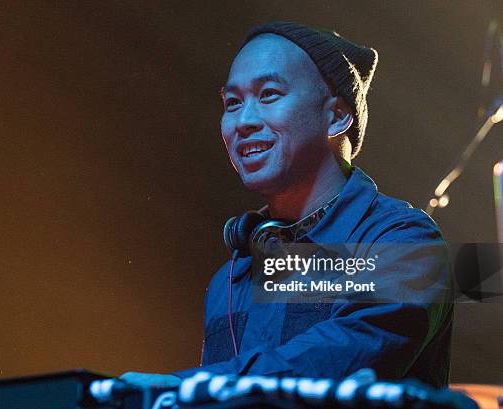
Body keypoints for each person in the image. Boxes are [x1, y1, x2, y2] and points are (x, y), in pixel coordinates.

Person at [120, 21, 453, 388]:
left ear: (338, 116)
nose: (243, 121)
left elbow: (332, 364)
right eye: (232, 103)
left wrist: (181, 388)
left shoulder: (405, 243)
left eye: (269, 95)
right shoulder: (230, 278)